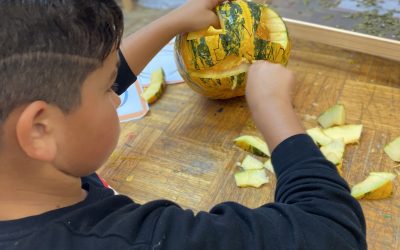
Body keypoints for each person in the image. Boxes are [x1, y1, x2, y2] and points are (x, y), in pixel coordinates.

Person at [0, 0, 366, 249]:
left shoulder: (26, 169)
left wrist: (172, 22)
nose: (117, 94)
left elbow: (63, 87)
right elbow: (332, 232)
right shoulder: (136, 239)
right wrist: (273, 108)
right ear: (39, 129)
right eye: (107, 87)